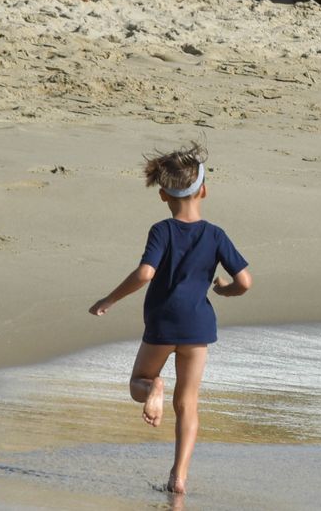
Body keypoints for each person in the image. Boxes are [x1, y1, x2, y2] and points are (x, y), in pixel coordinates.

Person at [89, 144, 252, 496]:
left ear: (163, 195)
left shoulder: (162, 230)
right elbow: (245, 282)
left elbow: (146, 273)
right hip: (198, 328)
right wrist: (222, 291)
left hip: (162, 324)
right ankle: (178, 478)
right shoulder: (215, 234)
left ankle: (154, 388)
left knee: (138, 382)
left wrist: (109, 299)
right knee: (188, 404)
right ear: (204, 190)